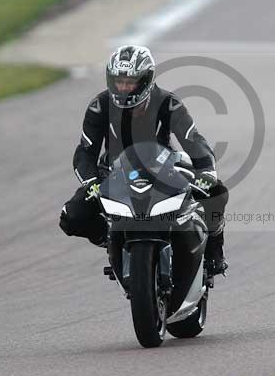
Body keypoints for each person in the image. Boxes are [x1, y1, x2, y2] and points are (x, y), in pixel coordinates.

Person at [59, 45, 229, 275]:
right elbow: (85, 152)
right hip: (113, 172)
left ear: (147, 79)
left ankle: (214, 252)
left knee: (216, 192)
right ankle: (111, 240)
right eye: (119, 81)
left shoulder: (169, 103)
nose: (124, 87)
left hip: (164, 170)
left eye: (131, 82)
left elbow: (193, 140)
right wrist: (91, 182)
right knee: (72, 217)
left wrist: (206, 171)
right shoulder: (99, 107)